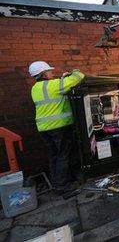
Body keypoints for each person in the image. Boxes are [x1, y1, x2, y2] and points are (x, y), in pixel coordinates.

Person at [29, 61, 85, 192]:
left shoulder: (35, 88)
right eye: (49, 71)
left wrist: (62, 79)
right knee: (63, 155)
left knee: (54, 156)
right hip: (58, 128)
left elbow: (53, 91)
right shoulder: (54, 85)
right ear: (43, 74)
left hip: (44, 129)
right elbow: (79, 76)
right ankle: (61, 185)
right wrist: (72, 72)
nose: (52, 73)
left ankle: (55, 182)